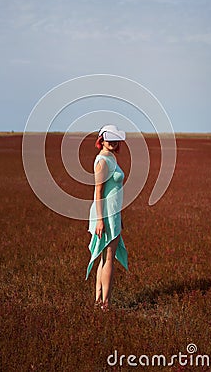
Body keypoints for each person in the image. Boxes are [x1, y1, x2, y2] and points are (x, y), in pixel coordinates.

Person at [85, 124, 128, 312]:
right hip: (105, 213)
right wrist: (101, 220)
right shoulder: (102, 161)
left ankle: (99, 302)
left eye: (115, 138)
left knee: (105, 257)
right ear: (101, 139)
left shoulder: (111, 157)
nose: (113, 141)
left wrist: (118, 216)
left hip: (113, 212)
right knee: (108, 258)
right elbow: (99, 192)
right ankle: (106, 304)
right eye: (109, 138)